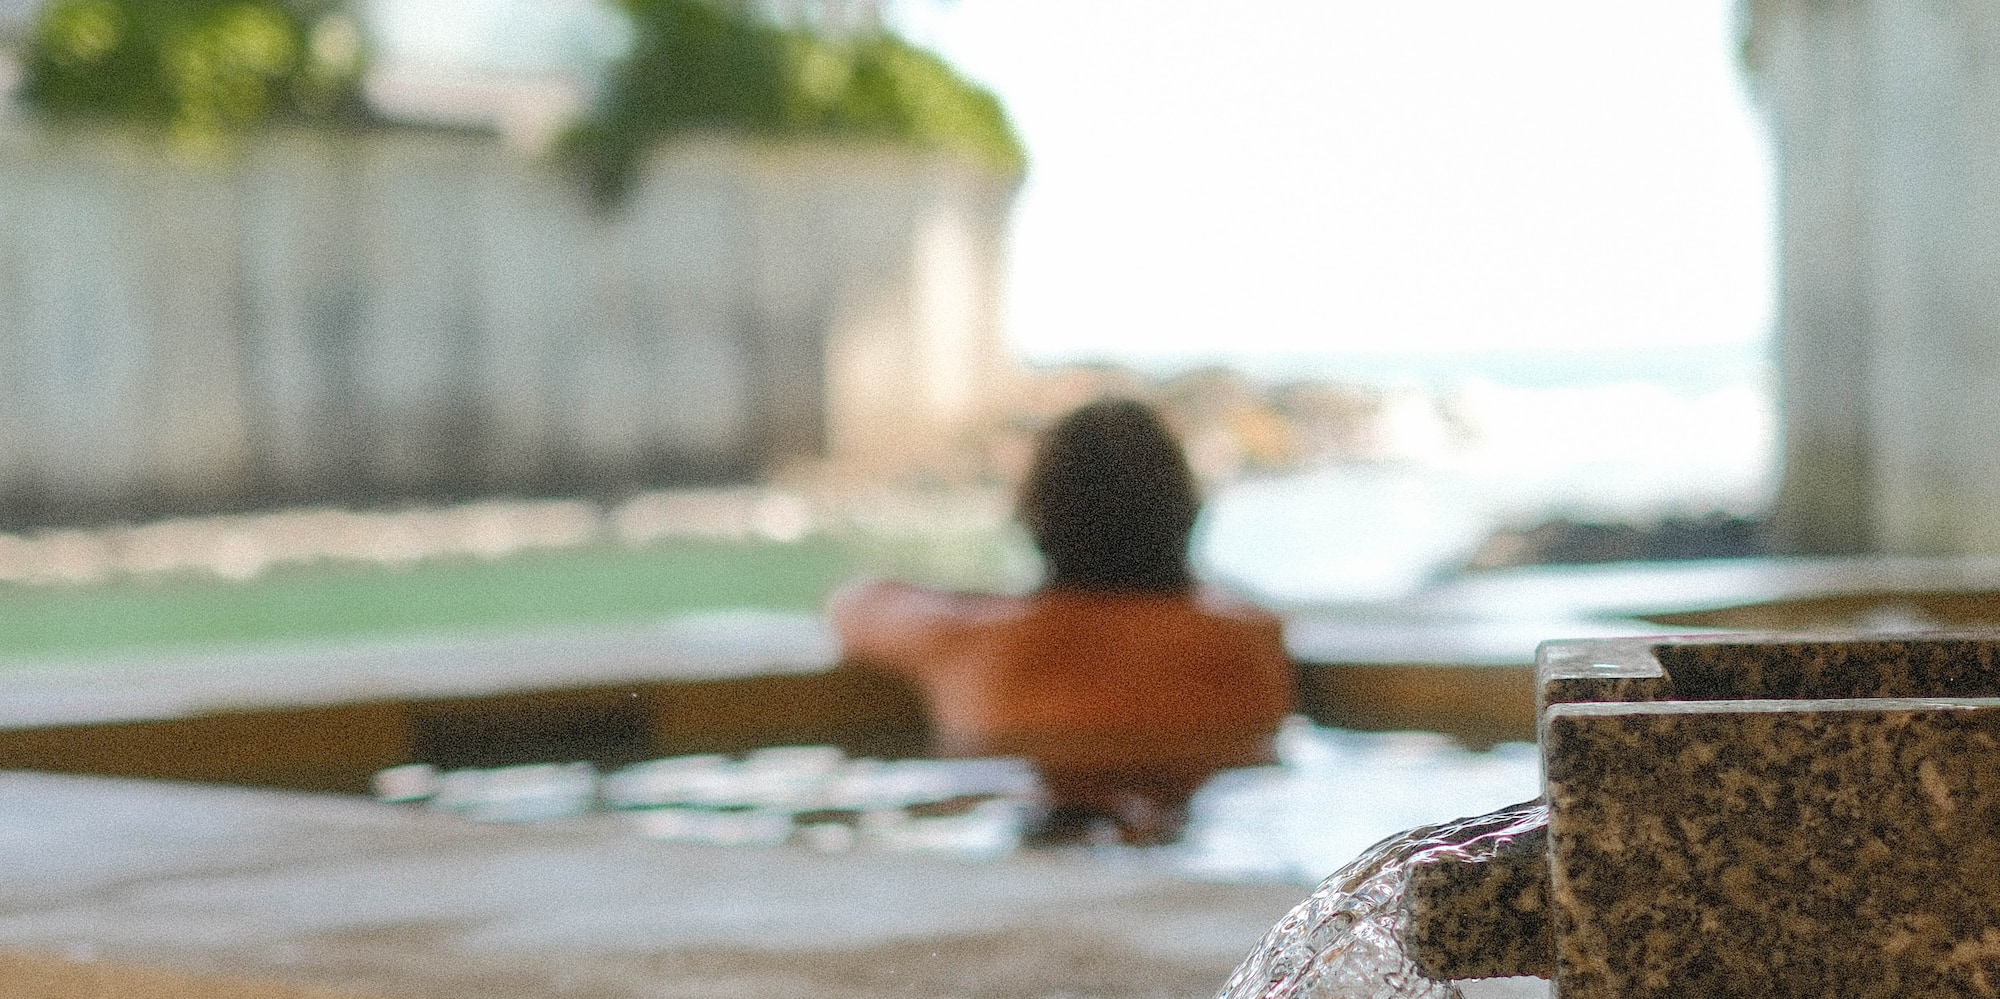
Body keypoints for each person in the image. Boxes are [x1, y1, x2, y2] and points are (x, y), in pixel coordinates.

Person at [830, 398, 1295, 845]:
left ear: (1035, 515)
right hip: (1209, 836)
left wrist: (992, 600)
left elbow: (853, 602)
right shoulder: (1249, 637)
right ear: (1187, 512)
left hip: (1021, 839)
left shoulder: (971, 640)